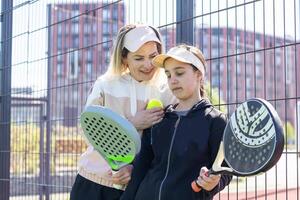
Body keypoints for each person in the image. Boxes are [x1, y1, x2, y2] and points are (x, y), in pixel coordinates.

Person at [70, 24, 176, 200]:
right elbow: (87, 129)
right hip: (93, 183)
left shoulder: (166, 91)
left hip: (137, 188)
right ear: (124, 58)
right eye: (139, 58)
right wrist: (132, 124)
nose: (148, 64)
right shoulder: (106, 84)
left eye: (153, 56)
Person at [121, 45, 232, 200]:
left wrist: (213, 184)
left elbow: (224, 170)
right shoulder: (159, 118)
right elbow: (141, 168)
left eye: (179, 73)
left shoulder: (216, 121)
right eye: (168, 75)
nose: (173, 80)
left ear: (198, 74)